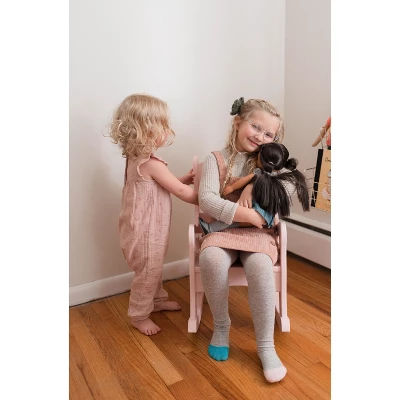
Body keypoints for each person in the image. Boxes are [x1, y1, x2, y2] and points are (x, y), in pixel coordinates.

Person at [198, 97, 295, 383]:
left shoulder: (272, 162)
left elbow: (287, 192)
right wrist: (247, 214)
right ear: (237, 122)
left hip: (259, 236)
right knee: (211, 258)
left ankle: (265, 345)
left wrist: (256, 181)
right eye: (256, 127)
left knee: (260, 267)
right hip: (222, 231)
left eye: (269, 134)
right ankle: (221, 326)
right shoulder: (215, 160)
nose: (261, 136)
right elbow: (207, 200)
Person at [109, 93, 198, 336]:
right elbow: (180, 191)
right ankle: (139, 315)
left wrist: (183, 178)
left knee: (153, 267)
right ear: (147, 131)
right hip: (146, 232)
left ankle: (156, 300)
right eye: (164, 126)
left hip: (140, 228)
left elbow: (160, 184)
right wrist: (208, 198)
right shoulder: (151, 164)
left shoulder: (136, 160)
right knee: (148, 272)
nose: (168, 131)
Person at [198, 142, 310, 234]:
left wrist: (233, 187)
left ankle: (211, 228)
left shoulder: (261, 173)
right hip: (264, 215)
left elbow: (245, 180)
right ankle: (212, 228)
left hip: (259, 212)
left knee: (234, 220)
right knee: (236, 221)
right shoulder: (275, 175)